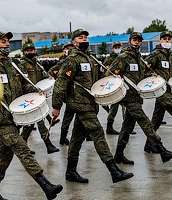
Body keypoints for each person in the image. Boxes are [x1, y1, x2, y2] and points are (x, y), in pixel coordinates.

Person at [0, 31, 63, 200]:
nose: (6, 44)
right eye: (2, 41)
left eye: (7, 41)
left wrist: (35, 91)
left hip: (14, 116)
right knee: (23, 149)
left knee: (4, 157)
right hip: (0, 119)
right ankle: (46, 185)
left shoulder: (14, 64)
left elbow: (22, 87)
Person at [50, 29, 134, 184]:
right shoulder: (72, 59)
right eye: (80, 37)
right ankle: (114, 171)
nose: (84, 39)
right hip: (80, 103)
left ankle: (70, 172)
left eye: (86, 37)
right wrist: (56, 106)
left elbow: (98, 79)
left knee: (76, 138)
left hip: (90, 102)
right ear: (74, 42)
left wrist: (111, 79)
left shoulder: (91, 58)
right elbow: (61, 83)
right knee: (98, 133)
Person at [106, 32, 172, 164]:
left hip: (136, 98)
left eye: (139, 40)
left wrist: (152, 76)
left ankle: (118, 154)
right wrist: (117, 79)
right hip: (128, 97)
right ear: (129, 41)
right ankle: (162, 150)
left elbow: (142, 75)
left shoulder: (139, 58)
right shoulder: (123, 57)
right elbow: (109, 74)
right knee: (145, 122)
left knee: (127, 127)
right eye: (135, 40)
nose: (137, 42)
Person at [18, 43, 60, 154]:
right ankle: (48, 145)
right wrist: (34, 90)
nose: (30, 52)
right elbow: (24, 81)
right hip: (29, 95)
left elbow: (42, 75)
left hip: (38, 94)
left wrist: (48, 77)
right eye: (27, 50)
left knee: (30, 124)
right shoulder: (22, 64)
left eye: (32, 50)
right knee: (38, 119)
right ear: (24, 52)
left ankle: (23, 147)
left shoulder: (37, 62)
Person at [52, 42, 78, 144]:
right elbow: (53, 72)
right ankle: (63, 136)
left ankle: (87, 134)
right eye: (67, 48)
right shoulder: (63, 61)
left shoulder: (77, 58)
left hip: (79, 92)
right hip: (68, 92)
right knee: (68, 116)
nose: (69, 49)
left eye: (70, 48)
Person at [103, 41, 124, 135]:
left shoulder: (123, 57)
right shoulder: (109, 59)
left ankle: (127, 127)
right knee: (114, 107)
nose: (118, 48)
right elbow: (106, 72)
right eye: (116, 47)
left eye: (119, 46)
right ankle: (109, 127)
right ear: (113, 48)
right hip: (114, 85)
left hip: (122, 84)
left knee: (125, 106)